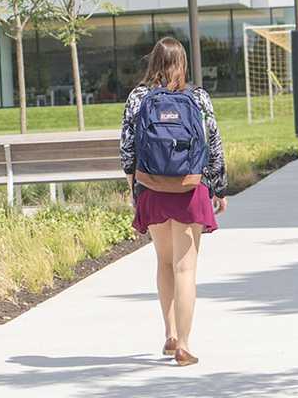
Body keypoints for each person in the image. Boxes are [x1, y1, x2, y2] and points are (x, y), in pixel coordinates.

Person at [119, 36, 227, 367]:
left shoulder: (138, 97)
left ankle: (168, 334)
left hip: (152, 189)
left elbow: (126, 147)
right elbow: (213, 141)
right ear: (182, 62)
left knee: (164, 262)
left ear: (153, 62)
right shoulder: (198, 97)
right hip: (189, 189)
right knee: (186, 268)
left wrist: (134, 184)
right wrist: (218, 188)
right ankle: (184, 343)